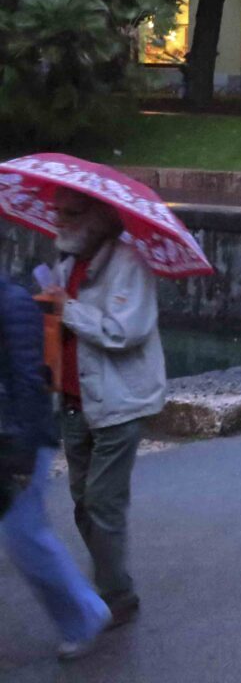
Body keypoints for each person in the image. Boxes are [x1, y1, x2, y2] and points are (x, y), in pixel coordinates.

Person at [42, 189, 165, 628]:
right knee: (82, 502)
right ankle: (115, 582)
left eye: (71, 214)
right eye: (58, 212)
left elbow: (123, 331)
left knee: (102, 502)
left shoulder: (129, 264)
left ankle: (115, 594)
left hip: (121, 400)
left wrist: (67, 310)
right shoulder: (67, 261)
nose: (59, 220)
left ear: (98, 219)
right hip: (76, 401)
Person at [1, 272, 111, 661]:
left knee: (26, 537)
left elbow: (28, 382)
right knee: (25, 535)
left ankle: (86, 614)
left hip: (19, 441)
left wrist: (20, 455)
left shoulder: (12, 303)